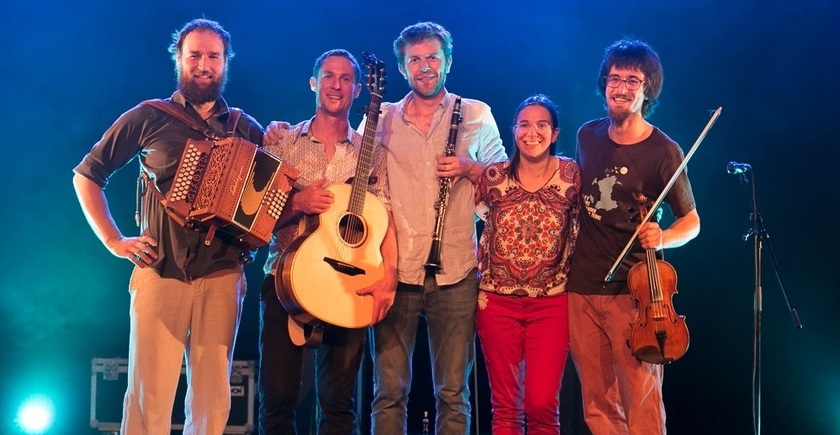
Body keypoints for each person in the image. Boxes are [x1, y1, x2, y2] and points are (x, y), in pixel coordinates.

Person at [72, 19, 263, 434]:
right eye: (194, 55)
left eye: (213, 56)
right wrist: (113, 240)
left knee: (212, 404)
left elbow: (267, 193)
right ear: (178, 58)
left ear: (226, 62)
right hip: (160, 269)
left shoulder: (246, 128)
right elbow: (87, 175)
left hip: (222, 274)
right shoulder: (149, 117)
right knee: (148, 400)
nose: (203, 65)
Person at [364, 21, 507, 434]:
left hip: (457, 271)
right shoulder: (382, 118)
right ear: (402, 67)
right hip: (396, 273)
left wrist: (469, 167)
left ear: (448, 62)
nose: (424, 66)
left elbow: (504, 183)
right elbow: (351, 168)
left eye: (432, 57)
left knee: (453, 393)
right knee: (388, 392)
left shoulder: (476, 113)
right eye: (415, 60)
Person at [258, 49, 398, 435]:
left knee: (339, 403)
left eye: (346, 79)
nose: (336, 85)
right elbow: (257, 217)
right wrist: (297, 203)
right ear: (313, 83)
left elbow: (385, 218)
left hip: (348, 282)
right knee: (277, 398)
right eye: (329, 77)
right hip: (285, 280)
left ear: (357, 90)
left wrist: (389, 273)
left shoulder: (372, 154)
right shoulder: (283, 142)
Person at [567, 38, 701, 435]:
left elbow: (691, 222)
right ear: (604, 84)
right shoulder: (587, 135)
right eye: (614, 78)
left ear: (648, 89)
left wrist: (663, 237)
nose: (621, 88)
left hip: (635, 293)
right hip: (582, 286)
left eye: (632, 80)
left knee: (641, 401)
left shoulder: (664, 151)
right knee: (596, 404)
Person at [475, 94, 580, 434]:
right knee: (505, 407)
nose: (531, 132)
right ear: (513, 130)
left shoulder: (572, 174)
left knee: (541, 403)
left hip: (552, 303)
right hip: (496, 302)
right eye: (524, 124)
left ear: (555, 133)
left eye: (541, 125)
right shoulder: (493, 177)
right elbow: (472, 221)